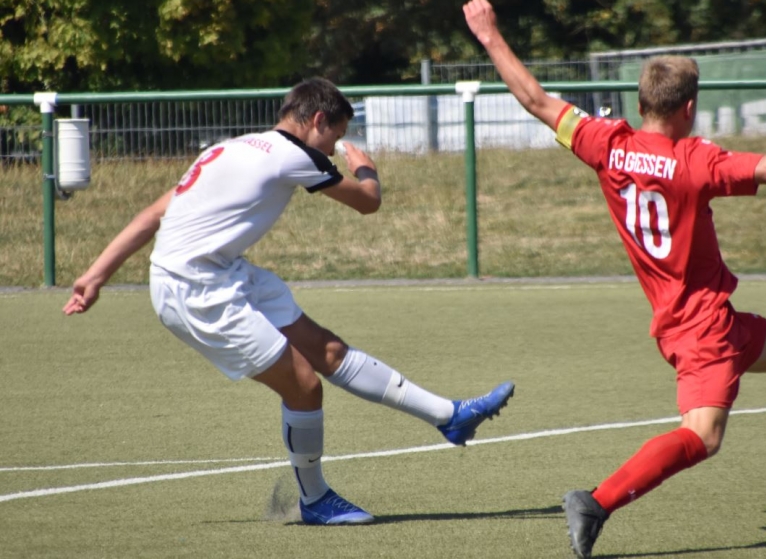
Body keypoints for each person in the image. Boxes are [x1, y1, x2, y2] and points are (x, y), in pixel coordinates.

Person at [463, 0, 766, 559]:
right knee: (703, 437)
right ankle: (596, 502)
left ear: (642, 103)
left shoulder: (607, 144)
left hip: (701, 321)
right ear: (688, 107)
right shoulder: (694, 160)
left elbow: (535, 99)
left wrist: (489, 36)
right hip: (703, 329)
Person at [62, 77, 514, 525]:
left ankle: (449, 416)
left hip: (221, 273)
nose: (334, 149)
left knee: (327, 351)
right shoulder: (292, 155)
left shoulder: (229, 147)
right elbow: (368, 202)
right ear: (318, 120)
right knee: (304, 385)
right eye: (336, 136)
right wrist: (366, 169)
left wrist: (95, 275)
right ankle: (314, 499)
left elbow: (152, 214)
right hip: (195, 289)